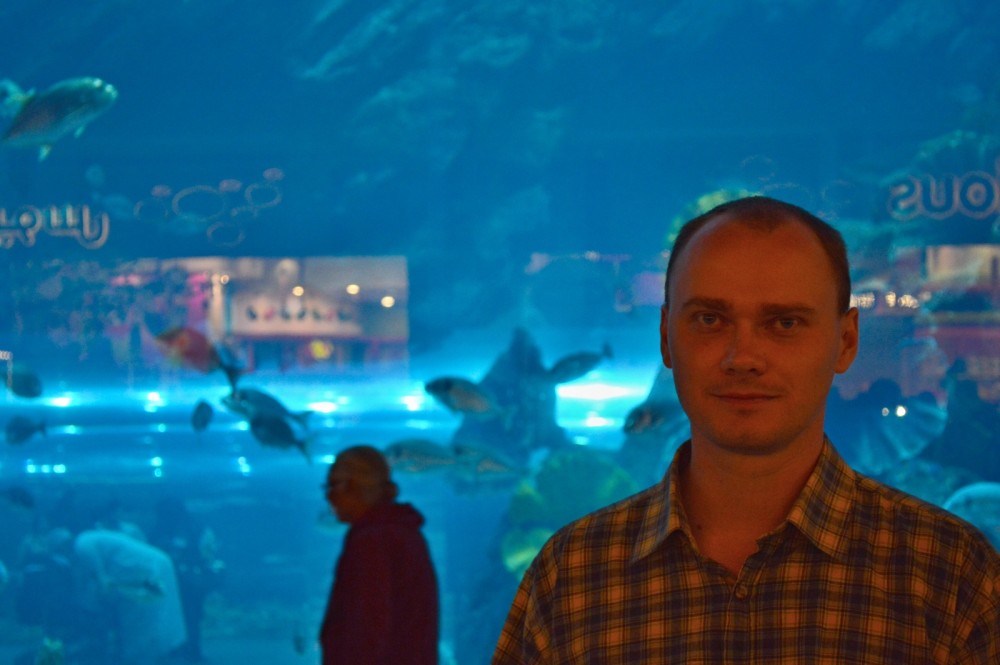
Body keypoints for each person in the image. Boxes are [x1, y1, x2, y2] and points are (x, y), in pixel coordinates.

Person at [492, 196, 1000, 663]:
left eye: (784, 323)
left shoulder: (950, 573)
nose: (743, 357)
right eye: (710, 320)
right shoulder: (571, 575)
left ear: (846, 341)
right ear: (666, 338)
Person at [320, 445, 439, 665]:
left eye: (334, 485)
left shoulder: (372, 542)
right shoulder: (407, 534)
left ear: (358, 486)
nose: (329, 496)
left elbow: (367, 630)